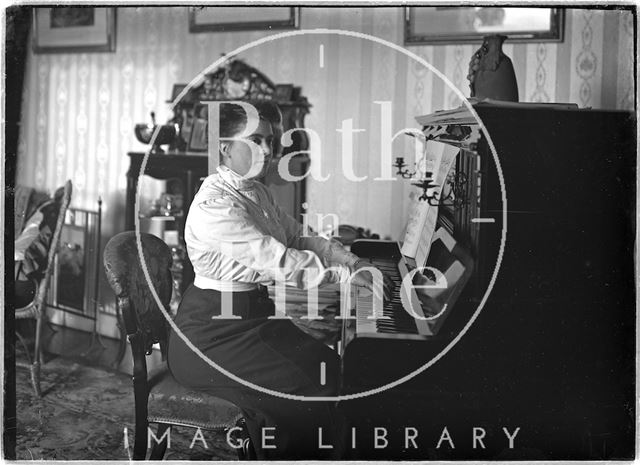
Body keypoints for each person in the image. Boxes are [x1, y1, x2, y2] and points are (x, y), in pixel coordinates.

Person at [167, 102, 390, 459]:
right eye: (255, 140)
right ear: (224, 146)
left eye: (270, 140)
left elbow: (299, 238)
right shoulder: (214, 206)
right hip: (210, 334)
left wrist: (351, 259)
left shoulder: (257, 192)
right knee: (309, 387)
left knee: (331, 368)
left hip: (252, 320)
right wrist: (348, 276)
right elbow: (280, 261)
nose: (268, 151)